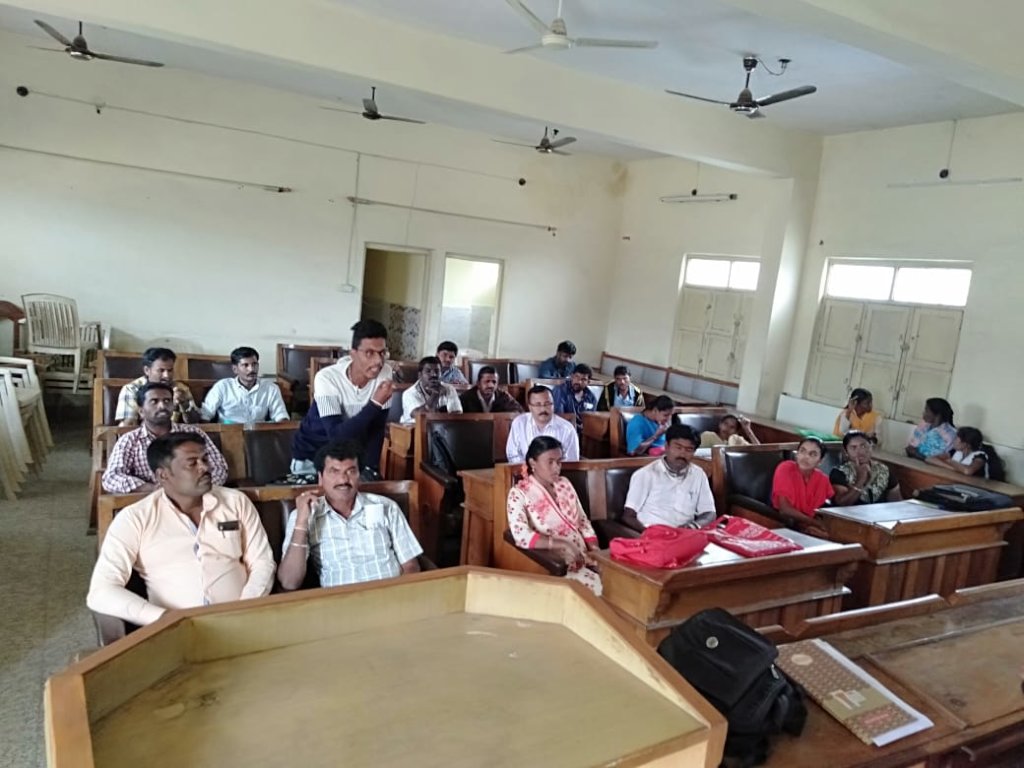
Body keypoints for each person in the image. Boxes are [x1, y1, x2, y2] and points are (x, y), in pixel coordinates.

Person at [87, 433, 275, 625]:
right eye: (192, 463)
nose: (205, 468)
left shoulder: (235, 502)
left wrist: (246, 608)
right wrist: (164, 619)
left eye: (205, 459)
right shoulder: (135, 518)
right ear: (163, 475)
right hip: (176, 629)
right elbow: (101, 591)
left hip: (244, 619)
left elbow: (262, 562)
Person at [278, 440, 423, 589]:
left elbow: (411, 566)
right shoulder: (303, 514)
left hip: (391, 594)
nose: (343, 480)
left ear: (359, 476)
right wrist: (301, 523)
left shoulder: (387, 507)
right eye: (334, 471)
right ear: (320, 478)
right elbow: (289, 582)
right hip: (340, 600)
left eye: (351, 471)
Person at [291, 320, 394, 480]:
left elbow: (376, 429)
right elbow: (336, 437)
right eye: (369, 353)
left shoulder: (385, 372)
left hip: (350, 460)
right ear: (353, 354)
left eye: (382, 353)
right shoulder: (327, 378)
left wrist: (371, 468)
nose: (378, 362)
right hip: (312, 458)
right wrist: (375, 403)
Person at [506, 436, 601, 595]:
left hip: (585, 557)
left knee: (621, 585)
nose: (556, 467)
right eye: (550, 462)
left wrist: (596, 551)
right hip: (557, 563)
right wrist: (561, 544)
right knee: (601, 592)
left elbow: (583, 521)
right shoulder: (519, 492)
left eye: (559, 461)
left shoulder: (564, 483)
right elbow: (521, 535)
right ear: (533, 463)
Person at [102, 383, 228, 494]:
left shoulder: (193, 433)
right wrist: (151, 488)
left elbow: (219, 469)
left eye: (167, 401)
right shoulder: (130, 440)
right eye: (154, 401)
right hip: (149, 502)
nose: (162, 406)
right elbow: (111, 477)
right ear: (141, 411)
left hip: (196, 498)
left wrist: (192, 488)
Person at [622, 425, 716, 531]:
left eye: (689, 449)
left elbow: (709, 513)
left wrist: (694, 526)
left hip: (686, 533)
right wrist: (649, 534)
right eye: (678, 447)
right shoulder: (645, 474)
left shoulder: (698, 474)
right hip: (653, 533)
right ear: (666, 447)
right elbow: (628, 516)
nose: (682, 454)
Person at [200, 346, 289, 424]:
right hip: (227, 434)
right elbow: (205, 416)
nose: (251, 369)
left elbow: (281, 416)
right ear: (235, 369)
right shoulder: (222, 387)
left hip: (259, 434)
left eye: (254, 364)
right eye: (245, 365)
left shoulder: (270, 388)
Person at [115, 347, 198, 426]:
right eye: (161, 370)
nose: (167, 376)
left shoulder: (180, 388)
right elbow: (128, 425)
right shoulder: (132, 389)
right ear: (147, 370)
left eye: (170, 370)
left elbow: (195, 422)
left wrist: (184, 404)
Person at [771, 437, 833, 537]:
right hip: (785, 524)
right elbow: (784, 509)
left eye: (813, 454)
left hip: (809, 525)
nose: (806, 457)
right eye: (802, 451)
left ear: (820, 461)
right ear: (797, 454)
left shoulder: (822, 479)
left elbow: (821, 510)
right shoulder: (786, 468)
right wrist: (815, 523)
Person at [506, 385, 579, 464]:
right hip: (525, 469)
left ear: (553, 405)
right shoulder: (519, 423)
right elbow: (512, 454)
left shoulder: (567, 429)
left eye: (547, 404)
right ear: (530, 407)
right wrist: (530, 469)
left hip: (557, 471)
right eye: (538, 405)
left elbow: (571, 461)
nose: (543, 409)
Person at [830, 430, 901, 506]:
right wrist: (861, 479)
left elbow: (896, 503)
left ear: (871, 446)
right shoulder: (839, 472)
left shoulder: (883, 470)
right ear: (846, 452)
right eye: (853, 448)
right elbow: (841, 504)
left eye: (863, 446)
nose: (860, 452)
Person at [400, 356, 463, 424]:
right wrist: (435, 394)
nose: (434, 374)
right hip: (413, 428)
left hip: (442, 427)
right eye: (428, 371)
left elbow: (457, 413)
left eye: (437, 371)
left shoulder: (449, 389)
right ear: (420, 375)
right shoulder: (409, 393)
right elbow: (419, 416)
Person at [926, 426, 1001, 479]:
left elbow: (968, 471)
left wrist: (951, 462)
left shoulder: (980, 456)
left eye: (956, 439)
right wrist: (952, 468)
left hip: (976, 487)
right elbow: (930, 459)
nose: (954, 441)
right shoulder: (955, 451)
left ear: (965, 444)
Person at [551, 363, 597, 433]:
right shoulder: (560, 390)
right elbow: (558, 417)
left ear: (588, 382)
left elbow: (591, 419)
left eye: (583, 379)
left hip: (584, 433)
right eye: (577, 377)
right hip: (562, 430)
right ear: (572, 376)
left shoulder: (591, 398)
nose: (579, 382)